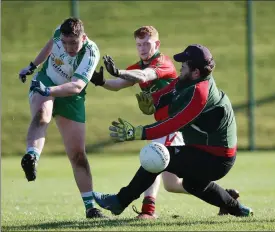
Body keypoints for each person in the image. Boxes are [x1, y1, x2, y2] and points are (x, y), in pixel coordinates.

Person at [92, 44, 253, 218]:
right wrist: (152, 103)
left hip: (217, 158)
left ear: (196, 72)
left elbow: (172, 124)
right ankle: (238, 209)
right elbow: (163, 94)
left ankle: (119, 201)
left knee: (158, 156)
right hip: (206, 150)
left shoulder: (200, 93)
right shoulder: (188, 81)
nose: (180, 68)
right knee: (193, 184)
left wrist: (137, 133)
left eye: (184, 65)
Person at [90, 25, 186, 219]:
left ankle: (147, 211)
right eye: (139, 44)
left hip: (174, 122)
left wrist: (118, 72)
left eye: (147, 43)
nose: (142, 48)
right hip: (164, 124)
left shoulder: (163, 62)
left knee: (153, 160)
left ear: (157, 44)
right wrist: (102, 82)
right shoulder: (138, 66)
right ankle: (224, 197)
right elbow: (119, 84)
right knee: (172, 185)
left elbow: (144, 76)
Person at [18, 17, 107, 219]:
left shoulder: (91, 52)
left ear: (83, 38)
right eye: (65, 42)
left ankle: (90, 208)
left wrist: (49, 90)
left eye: (73, 43)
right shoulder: (59, 31)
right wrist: (32, 66)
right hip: (46, 79)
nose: (68, 48)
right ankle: (31, 156)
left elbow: (76, 86)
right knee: (43, 114)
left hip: (71, 95)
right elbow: (50, 44)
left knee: (78, 154)